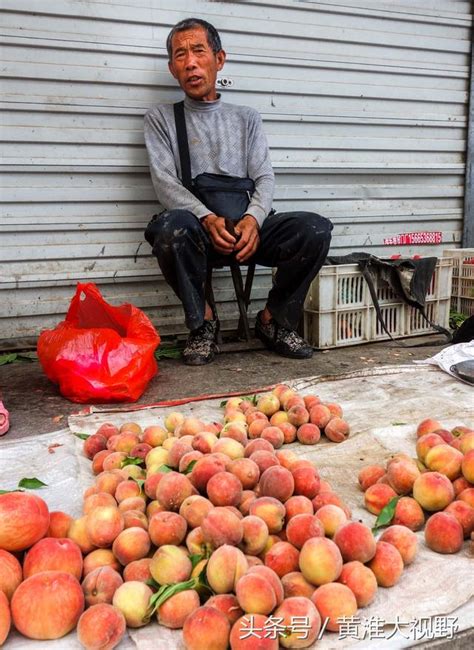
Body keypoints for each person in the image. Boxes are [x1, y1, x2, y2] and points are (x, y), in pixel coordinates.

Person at [144, 17, 333, 365]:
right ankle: (203, 324)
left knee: (314, 229)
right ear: (172, 69)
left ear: (219, 59)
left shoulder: (246, 118)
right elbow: (165, 183)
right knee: (169, 229)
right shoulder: (162, 119)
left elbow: (264, 177)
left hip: (247, 230)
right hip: (200, 232)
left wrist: (253, 220)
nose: (190, 62)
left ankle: (273, 320)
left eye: (198, 51)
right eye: (180, 55)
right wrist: (206, 217)